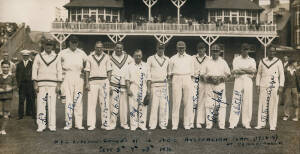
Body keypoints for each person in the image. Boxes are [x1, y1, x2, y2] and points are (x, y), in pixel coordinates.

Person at [32, 39, 62, 132]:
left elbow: (59, 71)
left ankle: (52, 125)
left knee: (52, 105)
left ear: (53, 46)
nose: (48, 46)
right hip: (41, 84)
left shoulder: (56, 56)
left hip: (53, 84)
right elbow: (34, 70)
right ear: (44, 45)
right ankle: (41, 125)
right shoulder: (38, 56)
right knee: (41, 105)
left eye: (50, 45)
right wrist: (35, 83)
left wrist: (58, 85)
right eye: (47, 44)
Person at [59, 35, 87, 130]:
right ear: (69, 43)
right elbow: (58, 65)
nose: (74, 44)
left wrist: (84, 73)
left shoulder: (82, 53)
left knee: (78, 100)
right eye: (72, 42)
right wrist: (61, 78)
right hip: (67, 76)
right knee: (68, 101)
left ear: (77, 43)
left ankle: (78, 124)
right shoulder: (63, 53)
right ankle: (68, 123)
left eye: (75, 42)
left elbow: (88, 64)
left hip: (79, 77)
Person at [200, 44, 231, 130]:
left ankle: (221, 124)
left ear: (219, 52)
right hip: (209, 85)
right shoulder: (207, 61)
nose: (215, 53)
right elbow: (202, 75)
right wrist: (209, 78)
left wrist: (221, 78)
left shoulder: (223, 62)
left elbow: (228, 74)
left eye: (217, 51)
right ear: (211, 51)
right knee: (209, 104)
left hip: (220, 85)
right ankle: (209, 124)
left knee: (221, 105)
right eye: (213, 51)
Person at [255, 45, 284, 131]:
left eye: (273, 51)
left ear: (275, 52)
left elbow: (282, 74)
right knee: (262, 104)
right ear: (267, 52)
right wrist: (257, 85)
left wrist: (281, 86)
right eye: (270, 51)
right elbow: (259, 74)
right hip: (263, 84)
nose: (271, 53)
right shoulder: (262, 61)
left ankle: (272, 125)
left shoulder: (278, 61)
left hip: (274, 85)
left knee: (273, 105)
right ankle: (261, 124)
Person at [85, 41, 112, 131]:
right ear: (94, 47)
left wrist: (108, 82)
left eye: (100, 47)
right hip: (93, 82)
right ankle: (91, 124)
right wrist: (87, 83)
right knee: (91, 104)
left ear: (103, 48)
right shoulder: (90, 57)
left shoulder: (107, 57)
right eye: (97, 47)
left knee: (104, 103)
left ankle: (105, 124)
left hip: (104, 82)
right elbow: (87, 71)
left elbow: (109, 71)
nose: (99, 49)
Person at [228, 43, 256, 129]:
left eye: (247, 49)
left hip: (248, 80)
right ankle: (233, 122)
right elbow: (235, 71)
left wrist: (242, 69)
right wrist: (247, 70)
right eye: (244, 49)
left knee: (247, 101)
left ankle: (246, 123)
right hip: (239, 80)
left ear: (248, 50)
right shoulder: (236, 59)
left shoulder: (252, 60)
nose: (245, 51)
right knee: (236, 100)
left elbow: (253, 71)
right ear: (241, 50)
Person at [168, 41, 194, 130]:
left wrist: (191, 82)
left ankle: (186, 124)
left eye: (182, 47)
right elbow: (170, 73)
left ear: (185, 48)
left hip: (187, 77)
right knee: (176, 102)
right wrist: (171, 82)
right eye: (179, 47)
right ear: (177, 48)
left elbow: (192, 73)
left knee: (187, 102)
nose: (181, 49)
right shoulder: (172, 59)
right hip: (176, 78)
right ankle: (174, 124)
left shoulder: (190, 58)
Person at [109, 42, 133, 130]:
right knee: (113, 105)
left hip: (124, 84)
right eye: (117, 48)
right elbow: (109, 72)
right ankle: (112, 123)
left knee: (124, 106)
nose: (119, 49)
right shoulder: (110, 58)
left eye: (120, 48)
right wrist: (109, 86)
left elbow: (132, 69)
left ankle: (124, 123)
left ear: (123, 48)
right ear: (114, 48)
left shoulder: (128, 57)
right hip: (114, 83)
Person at [125, 49, 151, 131]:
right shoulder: (129, 66)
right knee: (133, 106)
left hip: (143, 87)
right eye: (136, 56)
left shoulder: (146, 65)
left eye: (139, 55)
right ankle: (133, 125)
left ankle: (142, 125)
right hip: (133, 87)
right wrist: (128, 89)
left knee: (143, 106)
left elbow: (149, 79)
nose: (138, 57)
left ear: (142, 56)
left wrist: (149, 90)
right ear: (133, 56)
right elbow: (127, 80)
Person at [147, 43, 170, 130]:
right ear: (156, 48)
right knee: (154, 105)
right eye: (159, 48)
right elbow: (148, 73)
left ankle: (163, 124)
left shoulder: (167, 59)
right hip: (154, 85)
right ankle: (152, 124)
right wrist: (149, 87)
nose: (161, 50)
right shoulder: (151, 58)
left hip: (164, 85)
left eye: (162, 48)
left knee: (163, 105)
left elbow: (168, 73)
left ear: (164, 49)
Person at [191, 42, 210, 129]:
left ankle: (199, 122)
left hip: (203, 82)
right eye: (199, 49)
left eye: (202, 48)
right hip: (194, 80)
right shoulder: (192, 58)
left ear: (205, 49)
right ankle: (190, 122)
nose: (200, 50)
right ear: (197, 49)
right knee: (193, 101)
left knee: (201, 102)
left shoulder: (208, 59)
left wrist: (205, 76)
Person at [16, 50, 35, 120]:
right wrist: (18, 84)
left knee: (31, 99)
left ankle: (32, 114)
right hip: (22, 85)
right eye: (24, 56)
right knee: (21, 100)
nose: (25, 57)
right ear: (22, 56)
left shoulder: (32, 64)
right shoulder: (19, 64)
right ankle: (20, 115)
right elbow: (17, 75)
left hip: (30, 84)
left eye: (27, 56)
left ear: (29, 56)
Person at [0, 61, 15, 135]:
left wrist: (11, 88)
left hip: (8, 97)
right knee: (0, 113)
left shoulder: (12, 76)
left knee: (6, 113)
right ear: (1, 67)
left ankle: (3, 129)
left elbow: (16, 85)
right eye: (4, 67)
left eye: (7, 67)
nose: (5, 69)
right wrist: (2, 88)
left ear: (9, 68)